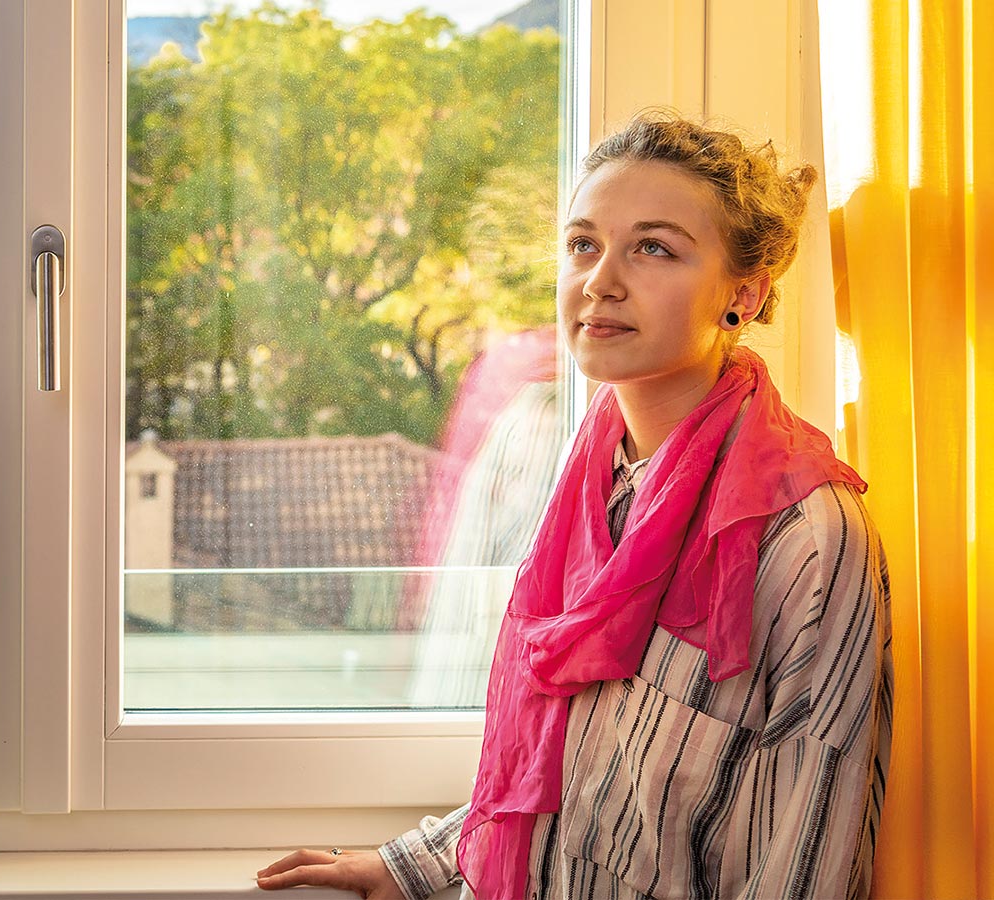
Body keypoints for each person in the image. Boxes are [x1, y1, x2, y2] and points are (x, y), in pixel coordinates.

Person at [256, 113, 893, 900]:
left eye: (653, 248)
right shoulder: (582, 480)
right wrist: (415, 862)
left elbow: (811, 860)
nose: (601, 282)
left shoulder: (807, 535)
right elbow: (571, 770)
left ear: (744, 293)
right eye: (583, 244)